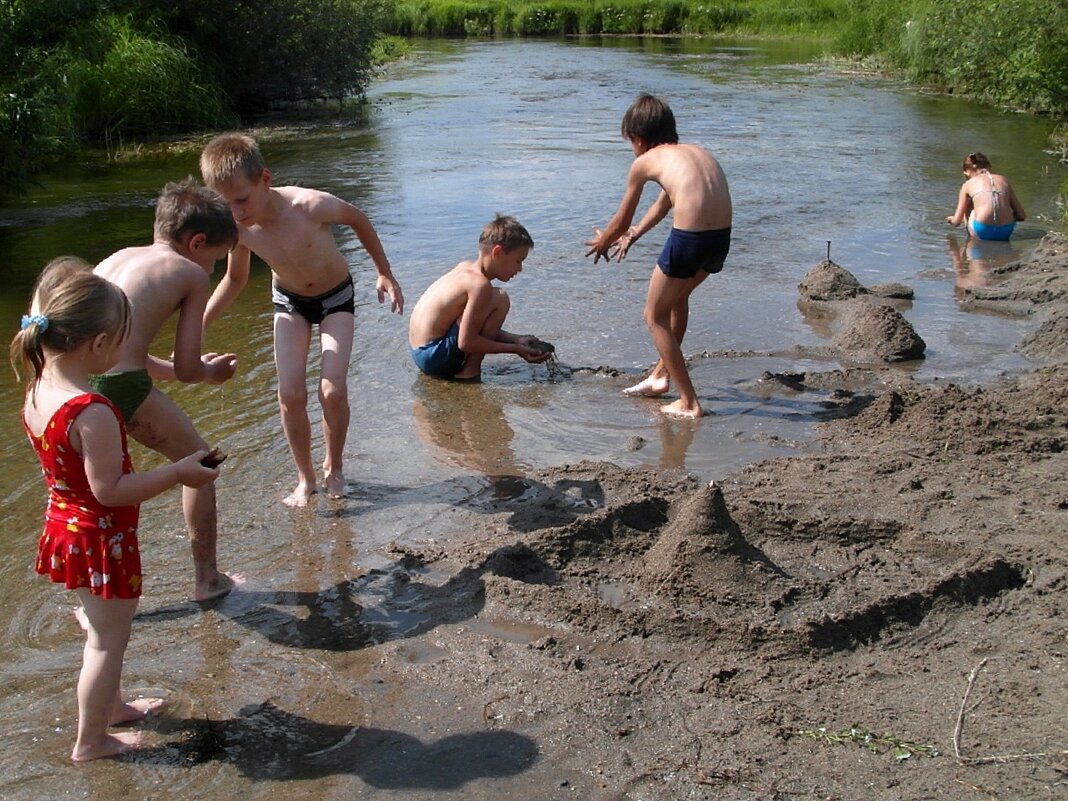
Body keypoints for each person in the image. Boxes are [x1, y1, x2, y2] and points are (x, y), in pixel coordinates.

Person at [10, 264, 220, 761]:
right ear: (100, 345)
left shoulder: (38, 389)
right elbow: (111, 490)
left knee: (108, 632)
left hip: (65, 529)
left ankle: (115, 706)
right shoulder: (93, 410)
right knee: (106, 642)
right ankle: (91, 741)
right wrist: (179, 472)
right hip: (101, 538)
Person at [199, 133, 404, 507]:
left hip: (335, 297)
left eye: (241, 200)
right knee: (290, 393)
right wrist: (199, 325)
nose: (236, 212)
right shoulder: (239, 230)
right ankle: (305, 479)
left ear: (265, 179)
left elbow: (357, 218)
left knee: (332, 389)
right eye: (226, 204)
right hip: (289, 302)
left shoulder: (309, 205)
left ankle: (335, 467)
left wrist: (384, 272)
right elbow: (235, 279)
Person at [92, 179, 241, 601]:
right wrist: (209, 374)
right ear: (197, 243)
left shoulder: (117, 258)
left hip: (68, 382)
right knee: (200, 465)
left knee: (91, 493)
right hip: (118, 386)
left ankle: (94, 601)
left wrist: (175, 373)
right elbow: (192, 367)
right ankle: (208, 580)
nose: (212, 269)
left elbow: (122, 351)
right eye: (217, 258)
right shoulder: (190, 273)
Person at [586, 93, 732, 418]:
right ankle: (660, 376)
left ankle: (689, 402)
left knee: (653, 315)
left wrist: (604, 241)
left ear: (637, 138)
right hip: (720, 238)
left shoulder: (643, 162)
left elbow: (621, 218)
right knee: (676, 301)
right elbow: (667, 201)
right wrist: (635, 233)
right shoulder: (695, 153)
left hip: (690, 238)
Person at [408, 214, 553, 381]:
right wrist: (515, 349)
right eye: (518, 261)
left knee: (491, 300)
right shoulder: (480, 285)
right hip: (435, 358)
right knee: (501, 298)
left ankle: (465, 367)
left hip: (419, 353)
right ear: (497, 252)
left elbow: (474, 326)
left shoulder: (463, 268)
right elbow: (466, 342)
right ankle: (470, 370)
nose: (520, 269)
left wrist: (517, 339)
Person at [946, 152, 1026, 241]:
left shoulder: (967, 185)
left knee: (969, 203)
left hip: (982, 230)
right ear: (989, 167)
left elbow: (956, 222)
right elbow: (1021, 215)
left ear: (967, 172)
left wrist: (951, 219)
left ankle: (968, 247)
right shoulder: (1003, 180)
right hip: (1005, 231)